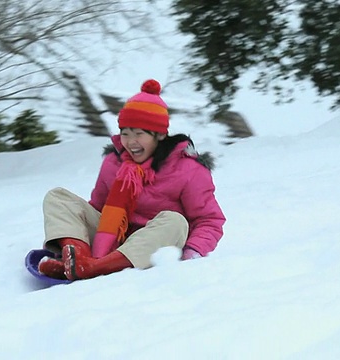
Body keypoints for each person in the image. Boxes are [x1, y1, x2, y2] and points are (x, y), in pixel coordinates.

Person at [37, 79, 226, 281]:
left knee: (175, 221)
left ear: (160, 135)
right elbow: (98, 208)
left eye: (139, 134)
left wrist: (191, 252)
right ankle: (77, 259)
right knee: (58, 197)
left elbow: (210, 220)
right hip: (114, 240)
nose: (131, 142)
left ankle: (95, 267)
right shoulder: (114, 162)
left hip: (154, 244)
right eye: (125, 133)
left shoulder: (188, 168)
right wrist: (80, 232)